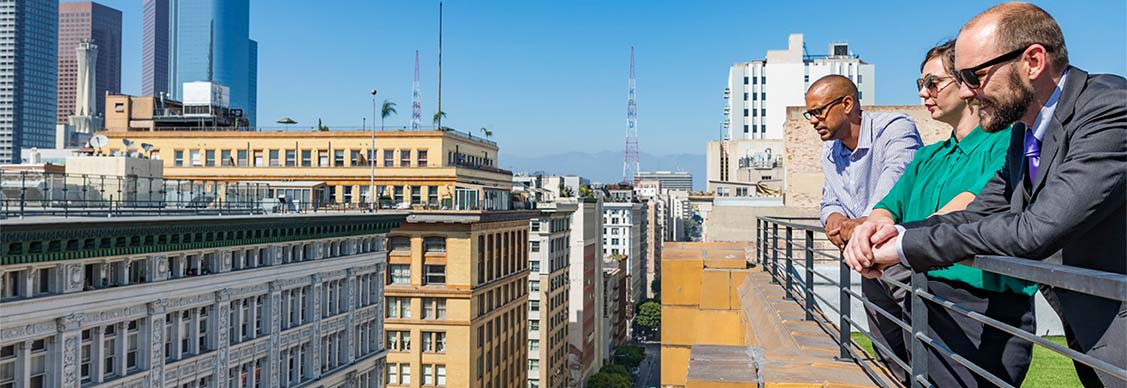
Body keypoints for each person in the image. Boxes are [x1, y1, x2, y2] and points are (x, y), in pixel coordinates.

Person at [845, 3, 1126, 387]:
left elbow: (1037, 229)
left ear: (1032, 60)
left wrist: (905, 248)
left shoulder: (1109, 108)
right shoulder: (1023, 133)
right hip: (1092, 327)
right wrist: (895, 235)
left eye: (974, 76)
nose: (964, 91)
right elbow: (982, 210)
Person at [868, 39, 1036, 387]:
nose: (923, 93)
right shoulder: (927, 158)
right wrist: (873, 231)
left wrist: (891, 240)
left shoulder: (1008, 142)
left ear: (966, 83)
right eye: (920, 84)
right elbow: (885, 208)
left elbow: (971, 207)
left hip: (984, 305)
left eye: (932, 83)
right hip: (923, 293)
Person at [808, 74, 922, 383]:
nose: (813, 121)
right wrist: (835, 221)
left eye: (818, 111)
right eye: (810, 114)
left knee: (922, 348)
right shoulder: (830, 152)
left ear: (846, 104)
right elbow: (829, 201)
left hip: (903, 258)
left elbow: (896, 188)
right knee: (887, 351)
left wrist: (862, 224)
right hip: (867, 263)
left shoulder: (895, 129)